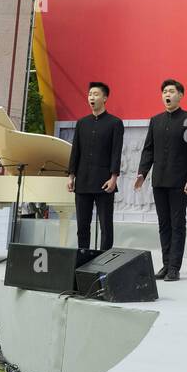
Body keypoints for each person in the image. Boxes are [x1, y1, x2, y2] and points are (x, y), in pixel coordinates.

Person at [135, 78, 187, 281]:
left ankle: (174, 267)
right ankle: (165, 264)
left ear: (180, 95)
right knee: (163, 224)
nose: (167, 95)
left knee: (177, 224)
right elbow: (148, 149)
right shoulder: (155, 120)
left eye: (171, 91)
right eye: (164, 92)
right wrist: (142, 173)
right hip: (159, 180)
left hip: (180, 181)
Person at [66, 81, 125, 251]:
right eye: (90, 94)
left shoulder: (115, 123)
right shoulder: (82, 123)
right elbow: (75, 151)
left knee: (106, 225)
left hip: (104, 182)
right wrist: (71, 176)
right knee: (82, 225)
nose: (92, 97)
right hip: (83, 181)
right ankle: (82, 257)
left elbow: (116, 152)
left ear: (105, 98)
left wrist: (113, 178)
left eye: (96, 94)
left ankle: (104, 260)